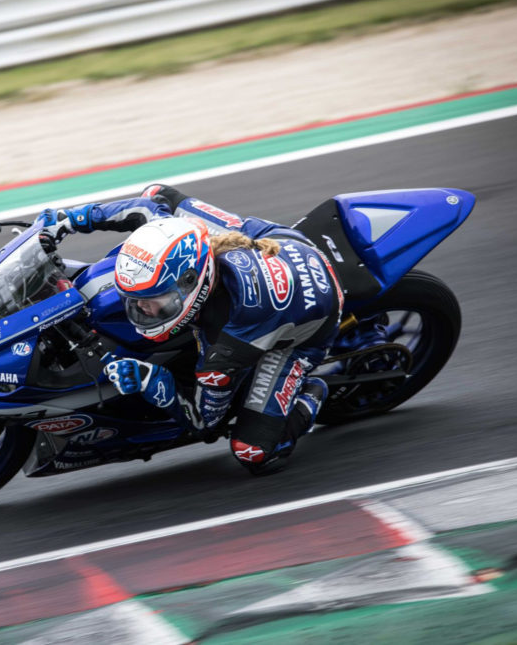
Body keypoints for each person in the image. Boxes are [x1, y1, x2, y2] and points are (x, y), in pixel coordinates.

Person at [38, 184, 344, 473]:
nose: (141, 310)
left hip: (311, 325)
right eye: (135, 301)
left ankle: (313, 392)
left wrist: (151, 379)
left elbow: (203, 420)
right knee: (159, 193)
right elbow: (146, 208)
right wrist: (70, 219)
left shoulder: (225, 344)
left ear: (190, 287)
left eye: (155, 302)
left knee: (254, 452)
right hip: (279, 241)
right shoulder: (188, 237)